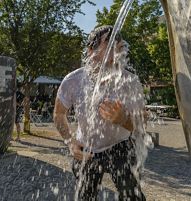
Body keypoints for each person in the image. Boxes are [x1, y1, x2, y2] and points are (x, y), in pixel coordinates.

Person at [54, 25, 147, 201]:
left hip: (120, 145)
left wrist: (124, 119)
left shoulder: (130, 81)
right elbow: (59, 115)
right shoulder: (73, 80)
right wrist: (70, 142)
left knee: (132, 195)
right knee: (85, 196)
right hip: (86, 146)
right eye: (109, 45)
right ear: (90, 50)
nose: (116, 53)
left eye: (118, 47)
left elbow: (142, 124)